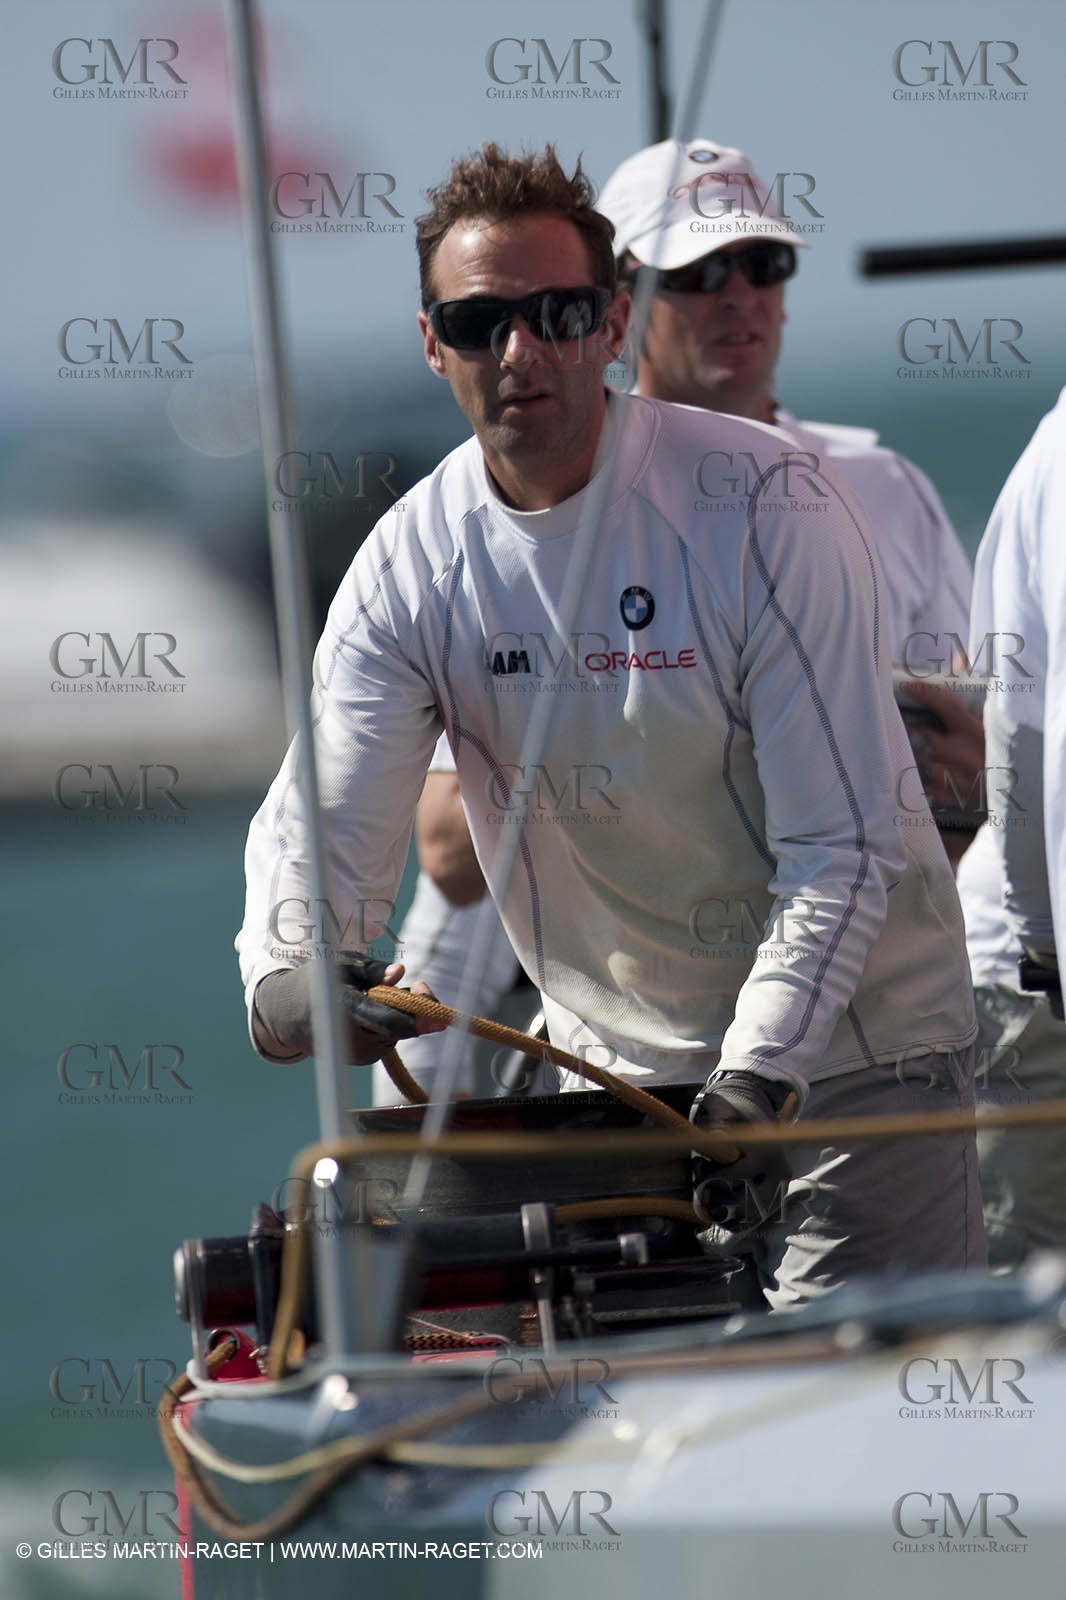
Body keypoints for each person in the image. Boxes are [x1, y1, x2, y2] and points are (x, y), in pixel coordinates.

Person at [237, 142, 983, 1309]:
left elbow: (840, 848)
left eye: (558, 312)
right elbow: (326, 808)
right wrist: (288, 964)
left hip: (858, 1060)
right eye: (481, 322)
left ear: (612, 323)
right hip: (626, 1081)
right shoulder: (411, 562)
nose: (520, 350)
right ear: (432, 342)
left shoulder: (768, 502)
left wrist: (760, 1071)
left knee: (847, 1422)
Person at [399, 136, 976, 1102]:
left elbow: (975, 769)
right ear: (618, 308)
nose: (739, 292)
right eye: (699, 271)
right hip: (541, 1015)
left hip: (836, 1017)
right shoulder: (519, 512)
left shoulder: (883, 490)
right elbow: (448, 857)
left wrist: (881, 758)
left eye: (763, 263)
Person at [953, 389, 1066, 1267]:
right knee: (1023, 1305)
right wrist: (1042, 947)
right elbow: (1019, 735)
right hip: (1032, 980)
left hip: (1033, 960)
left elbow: (1014, 722)